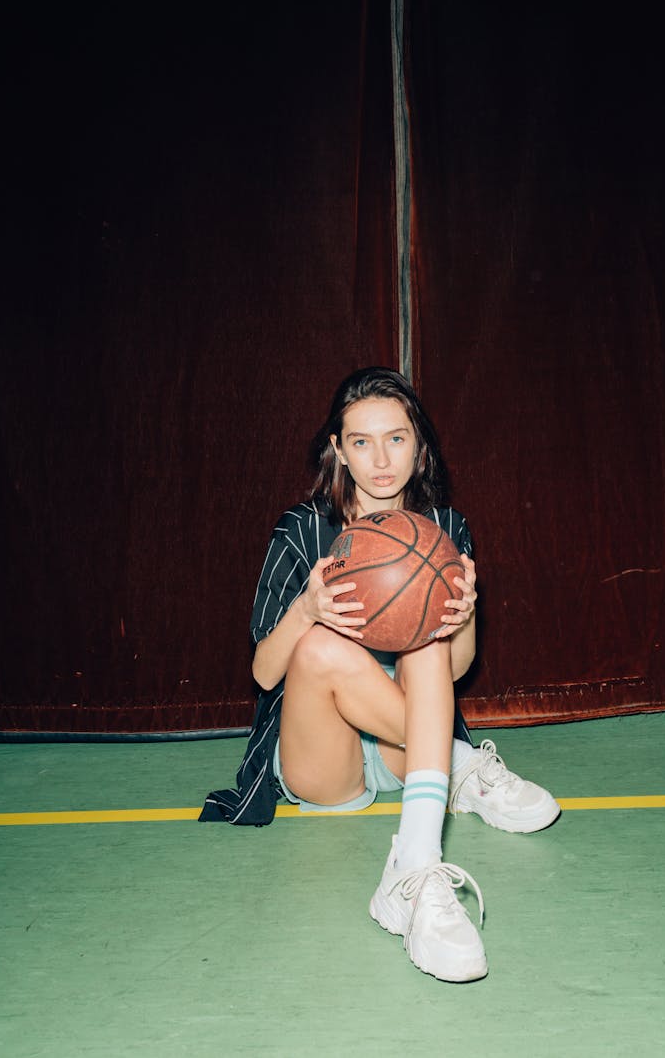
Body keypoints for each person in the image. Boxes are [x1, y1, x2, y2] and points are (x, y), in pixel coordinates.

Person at [202, 367, 560, 983]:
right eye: (361, 442)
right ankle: (457, 764)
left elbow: (457, 666)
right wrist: (306, 610)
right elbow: (264, 674)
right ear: (338, 450)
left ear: (419, 445)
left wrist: (463, 615)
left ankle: (414, 866)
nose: (381, 460)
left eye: (396, 438)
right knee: (316, 646)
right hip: (324, 759)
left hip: (402, 750)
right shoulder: (302, 530)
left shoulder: (444, 530)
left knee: (423, 627)